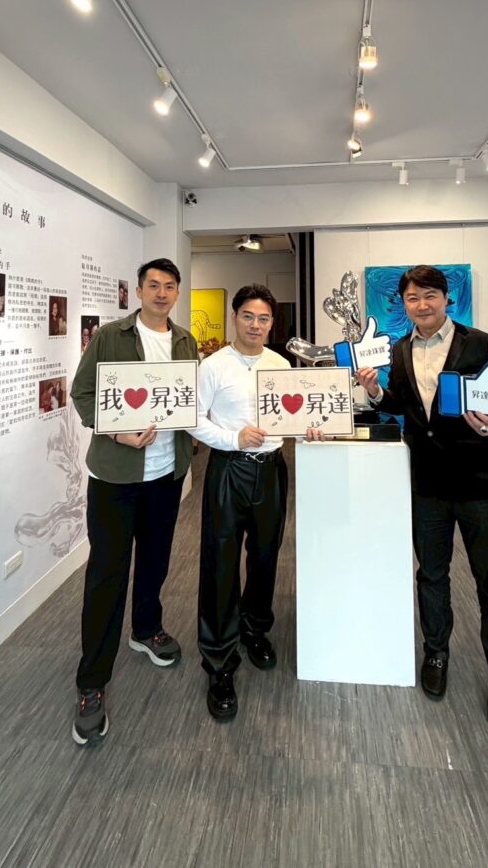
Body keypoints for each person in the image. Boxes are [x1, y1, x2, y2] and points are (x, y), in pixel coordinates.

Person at [356, 265, 488, 732]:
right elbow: (404, 405)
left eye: (430, 295)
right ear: (404, 304)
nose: (422, 304)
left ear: (446, 299)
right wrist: (375, 391)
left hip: (477, 484)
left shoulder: (482, 344)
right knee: (431, 575)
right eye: (413, 298)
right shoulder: (400, 348)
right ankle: (436, 652)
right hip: (427, 485)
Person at [70, 258, 198, 746]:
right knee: (107, 573)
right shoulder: (110, 336)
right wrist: (115, 431)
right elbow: (83, 393)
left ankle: (146, 629)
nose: (162, 293)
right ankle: (91, 682)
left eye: (170, 286)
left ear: (177, 292)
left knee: (155, 561)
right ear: (140, 290)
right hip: (115, 476)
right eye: (153, 285)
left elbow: (190, 398)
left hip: (165, 474)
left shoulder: (184, 341)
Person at [191, 283, 320, 721]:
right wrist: (233, 437)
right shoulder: (213, 365)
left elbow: (293, 416)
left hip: (271, 470)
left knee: (265, 556)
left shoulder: (280, 364)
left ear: (271, 323)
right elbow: (193, 421)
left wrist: (309, 428)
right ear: (235, 317)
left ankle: (255, 629)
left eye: (263, 318)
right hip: (229, 470)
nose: (255, 325)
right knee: (221, 561)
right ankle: (219, 659)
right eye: (248, 316)